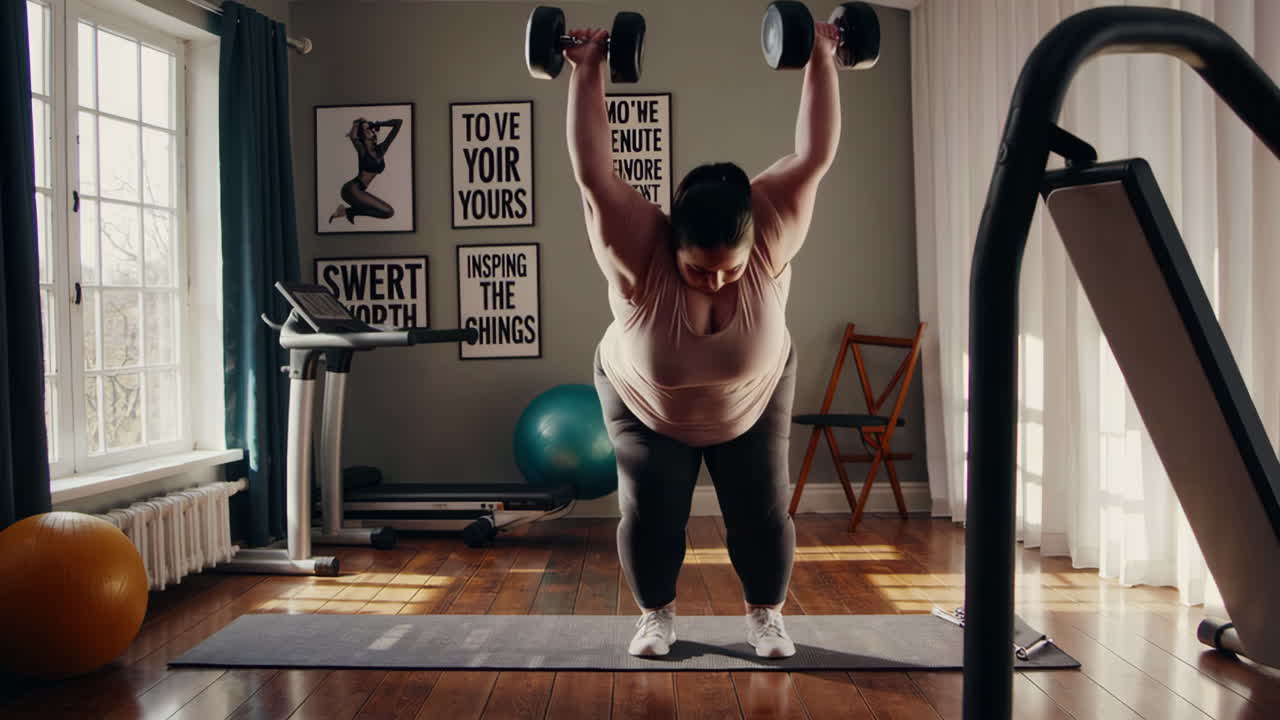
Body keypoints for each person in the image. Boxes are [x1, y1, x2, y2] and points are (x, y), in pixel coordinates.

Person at [563, 22, 842, 658]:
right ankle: (655, 616)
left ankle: (765, 616)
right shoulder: (636, 248)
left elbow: (814, 155)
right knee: (652, 515)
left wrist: (821, 53)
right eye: (698, 269)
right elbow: (593, 175)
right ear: (672, 246)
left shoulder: (772, 227)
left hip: (756, 394)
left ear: (754, 244)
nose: (716, 281)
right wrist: (586, 68)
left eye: (731, 269)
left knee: (762, 513)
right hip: (644, 402)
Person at [328, 116, 402, 225]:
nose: (369, 130)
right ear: (361, 133)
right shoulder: (362, 150)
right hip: (352, 189)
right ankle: (348, 212)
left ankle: (348, 211)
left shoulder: (381, 150)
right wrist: (357, 123)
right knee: (388, 211)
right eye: (365, 129)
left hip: (359, 190)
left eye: (370, 128)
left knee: (388, 212)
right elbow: (353, 137)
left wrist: (376, 123)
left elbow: (398, 123)